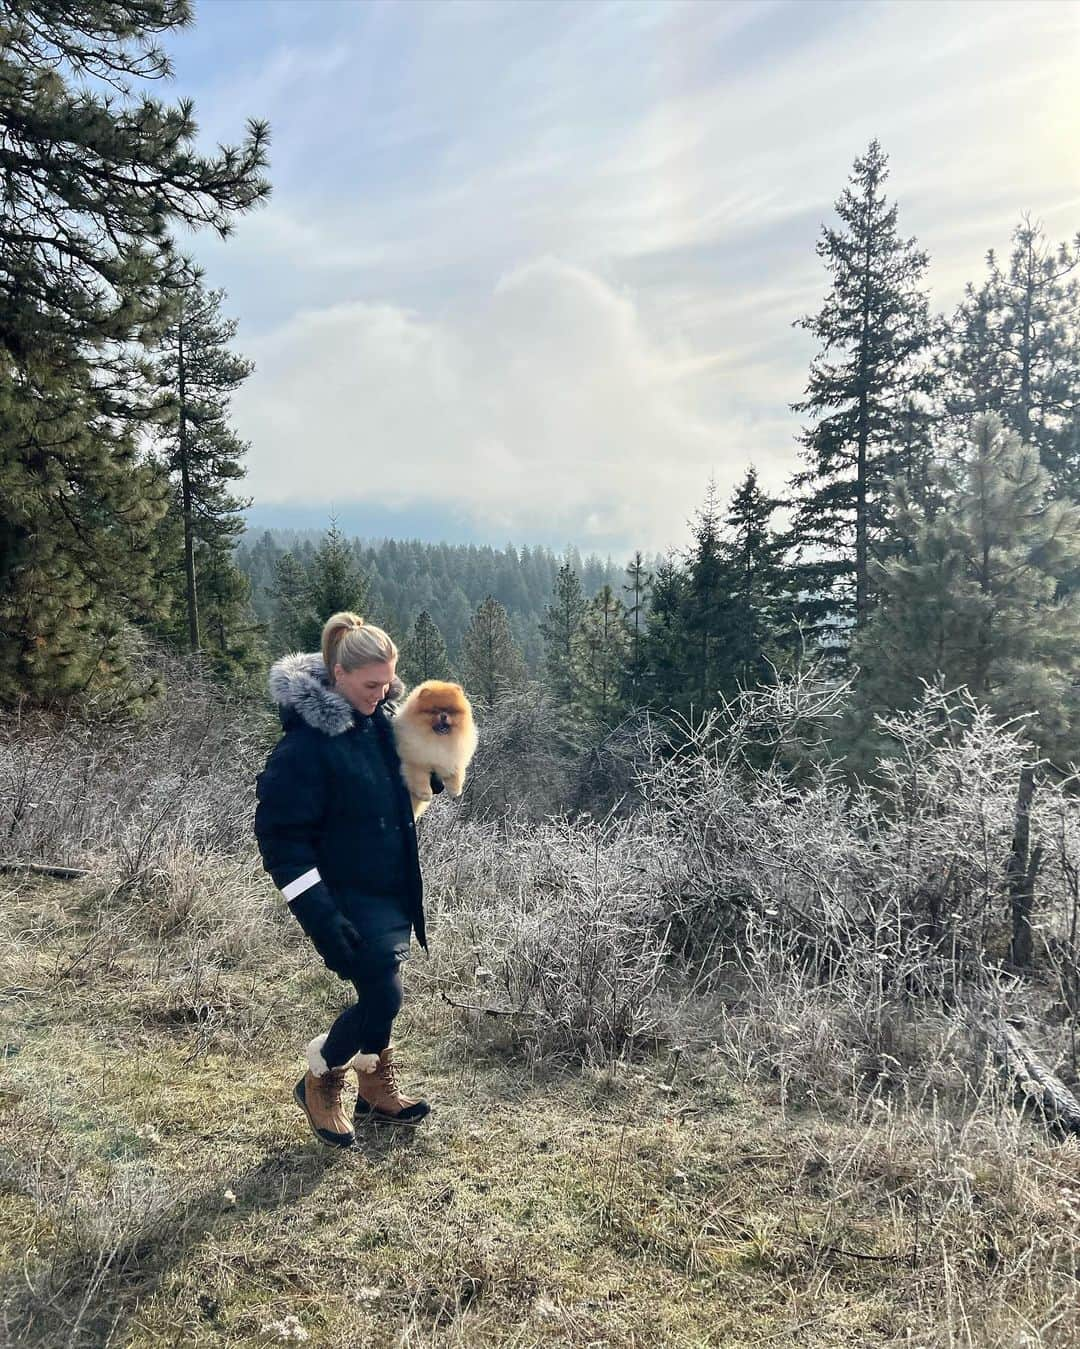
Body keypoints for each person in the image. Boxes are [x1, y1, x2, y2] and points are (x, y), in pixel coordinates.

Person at [253, 611, 441, 1146]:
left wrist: (431, 767)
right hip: (340, 896)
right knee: (383, 996)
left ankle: (375, 1089)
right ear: (337, 674)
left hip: (389, 888)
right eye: (369, 685)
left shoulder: (379, 725)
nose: (381, 695)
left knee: (384, 989)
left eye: (387, 684)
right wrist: (321, 913)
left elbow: (397, 793)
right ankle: (320, 1073)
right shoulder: (303, 749)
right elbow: (280, 839)